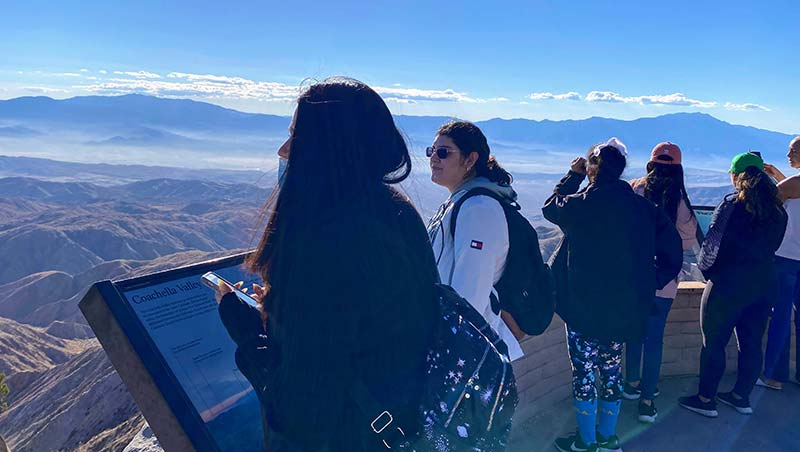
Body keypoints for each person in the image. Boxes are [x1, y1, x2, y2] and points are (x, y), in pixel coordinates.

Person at [215, 77, 440, 451]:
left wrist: (245, 329)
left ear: (325, 151)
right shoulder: (395, 211)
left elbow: (301, 410)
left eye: (295, 137)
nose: (283, 151)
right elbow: (359, 336)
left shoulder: (321, 239)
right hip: (399, 425)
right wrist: (283, 315)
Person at [543, 138, 682, 452]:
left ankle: (586, 441)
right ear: (621, 171)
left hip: (581, 307)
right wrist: (649, 282)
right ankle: (608, 438)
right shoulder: (645, 209)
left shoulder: (578, 204)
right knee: (610, 369)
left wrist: (573, 174)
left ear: (592, 169)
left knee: (584, 372)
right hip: (623, 308)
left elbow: (550, 206)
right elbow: (673, 253)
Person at [679, 152, 787, 418]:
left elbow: (711, 246)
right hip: (763, 284)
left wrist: (709, 273)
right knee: (751, 343)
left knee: (713, 343)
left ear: (737, 176)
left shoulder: (731, 205)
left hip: (727, 285)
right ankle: (741, 397)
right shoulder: (777, 210)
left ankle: (706, 399)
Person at [425, 120, 525, 360]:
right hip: (461, 343)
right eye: (431, 151)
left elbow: (470, 295)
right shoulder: (460, 202)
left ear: (470, 160)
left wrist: (448, 350)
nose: (433, 158)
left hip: (468, 353)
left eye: (443, 153)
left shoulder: (479, 209)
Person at [623, 142, 699, 423]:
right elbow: (688, 242)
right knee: (654, 340)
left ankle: (630, 384)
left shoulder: (635, 189)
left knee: (633, 333)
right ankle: (647, 399)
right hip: (663, 283)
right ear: (677, 169)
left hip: (632, 281)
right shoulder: (680, 203)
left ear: (650, 164)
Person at [760, 136, 800, 390]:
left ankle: (774, 375)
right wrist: (778, 174)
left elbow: (766, 201)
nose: (788, 154)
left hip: (785, 257)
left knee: (780, 316)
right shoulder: (793, 182)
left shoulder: (794, 183)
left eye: (794, 150)